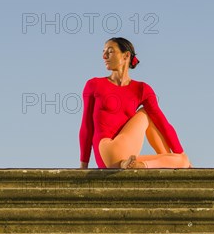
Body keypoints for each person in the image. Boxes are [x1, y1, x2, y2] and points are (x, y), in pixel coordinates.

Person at [79, 37, 192, 169]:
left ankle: (141, 165)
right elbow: (86, 126)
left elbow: (163, 124)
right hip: (107, 150)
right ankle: (165, 161)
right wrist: (83, 166)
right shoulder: (94, 85)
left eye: (110, 51)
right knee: (147, 113)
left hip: (127, 157)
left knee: (181, 161)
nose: (104, 56)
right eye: (103, 52)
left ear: (126, 55)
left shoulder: (142, 89)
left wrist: (181, 155)